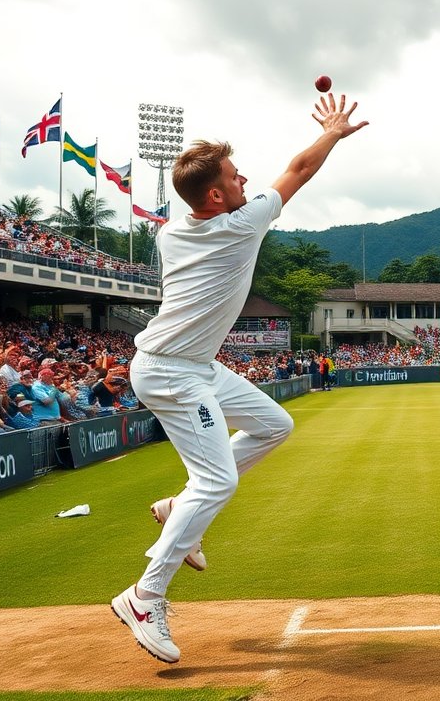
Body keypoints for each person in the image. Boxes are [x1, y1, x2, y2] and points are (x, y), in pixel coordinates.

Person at [111, 93, 367, 664]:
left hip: (194, 366)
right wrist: (332, 131)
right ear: (216, 196)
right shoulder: (241, 225)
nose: (244, 179)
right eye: (234, 175)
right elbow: (300, 168)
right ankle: (145, 596)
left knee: (274, 424)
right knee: (218, 482)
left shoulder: (171, 232)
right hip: (172, 371)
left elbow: (280, 174)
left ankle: (179, 508)